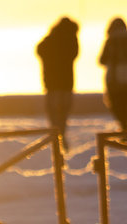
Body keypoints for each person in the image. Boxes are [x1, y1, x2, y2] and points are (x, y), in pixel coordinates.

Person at [36, 17, 79, 148]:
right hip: (65, 84)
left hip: (52, 83)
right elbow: (75, 54)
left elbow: (39, 50)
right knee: (63, 114)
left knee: (54, 114)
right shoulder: (71, 40)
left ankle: (56, 138)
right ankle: (60, 137)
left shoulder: (50, 39)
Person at [99, 18, 127, 137]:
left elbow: (101, 60)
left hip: (113, 79)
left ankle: (124, 128)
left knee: (115, 105)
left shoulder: (110, 42)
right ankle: (125, 129)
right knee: (124, 105)